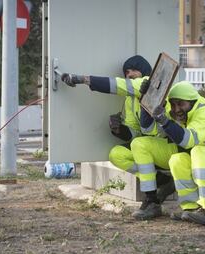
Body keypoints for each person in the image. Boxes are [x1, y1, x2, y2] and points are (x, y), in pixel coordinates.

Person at [130, 81, 205, 225]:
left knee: (198, 151)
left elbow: (188, 140)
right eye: (173, 104)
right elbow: (148, 130)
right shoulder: (183, 114)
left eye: (181, 104)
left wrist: (164, 120)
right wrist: (146, 101)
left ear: (192, 102)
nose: (176, 109)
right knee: (177, 159)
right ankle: (191, 208)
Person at [61, 55, 175, 204]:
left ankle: (151, 199)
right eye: (126, 73)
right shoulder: (130, 100)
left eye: (133, 70)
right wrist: (118, 129)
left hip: (168, 147)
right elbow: (134, 134)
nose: (129, 75)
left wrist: (82, 79)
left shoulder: (149, 84)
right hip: (150, 148)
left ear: (143, 71)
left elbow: (118, 84)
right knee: (116, 154)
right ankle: (162, 181)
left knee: (140, 145)